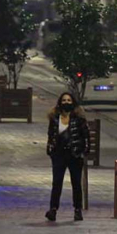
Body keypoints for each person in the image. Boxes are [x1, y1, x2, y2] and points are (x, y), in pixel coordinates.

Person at [45, 92, 90, 222]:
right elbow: (51, 135)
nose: (66, 102)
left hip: (74, 154)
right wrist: (50, 149)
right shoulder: (55, 118)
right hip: (59, 154)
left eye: (69, 100)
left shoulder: (79, 118)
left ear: (73, 102)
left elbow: (85, 136)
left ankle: (77, 209)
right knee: (57, 182)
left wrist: (84, 151)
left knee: (76, 183)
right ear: (60, 102)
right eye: (64, 100)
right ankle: (53, 209)